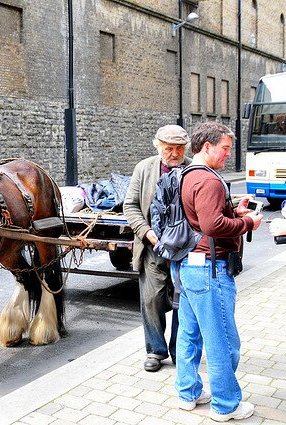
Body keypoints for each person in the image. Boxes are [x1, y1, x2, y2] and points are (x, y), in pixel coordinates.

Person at [173, 121, 262, 422]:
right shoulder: (209, 181)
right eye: (224, 149)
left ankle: (189, 393)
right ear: (207, 146)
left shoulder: (189, 175)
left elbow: (201, 218)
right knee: (223, 340)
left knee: (189, 334)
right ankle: (226, 405)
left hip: (190, 266)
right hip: (210, 271)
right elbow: (211, 226)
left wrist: (233, 209)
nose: (228, 155)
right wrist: (248, 223)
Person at [123, 124, 191, 372]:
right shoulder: (144, 168)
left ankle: (178, 350)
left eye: (179, 148)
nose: (174, 153)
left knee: (184, 301)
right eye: (168, 148)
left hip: (185, 247)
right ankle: (156, 350)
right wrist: (146, 231)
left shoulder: (193, 168)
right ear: (158, 146)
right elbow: (129, 205)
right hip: (153, 245)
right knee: (151, 299)